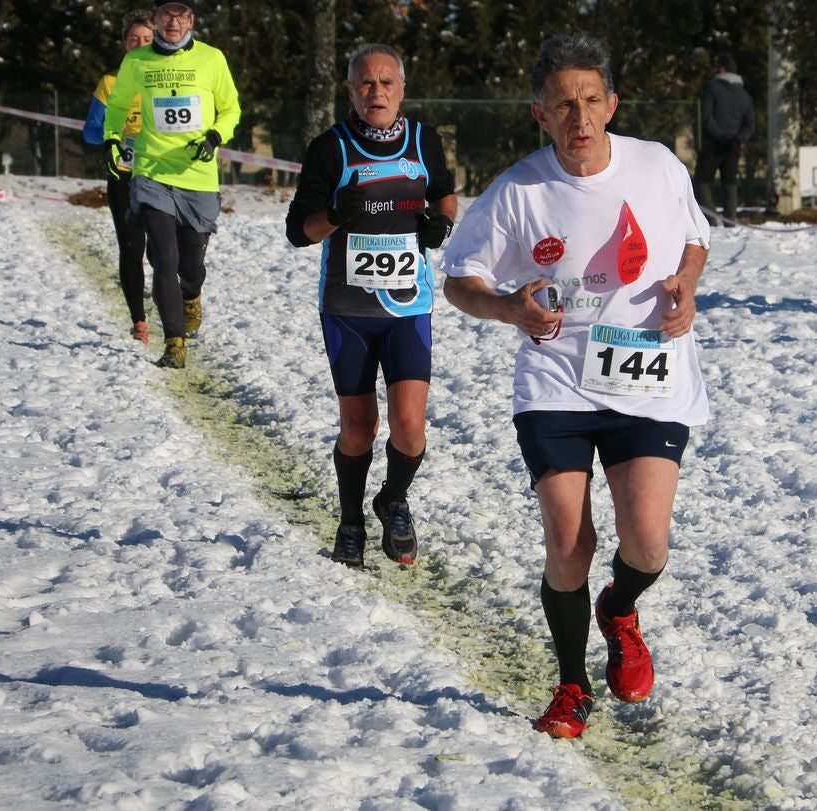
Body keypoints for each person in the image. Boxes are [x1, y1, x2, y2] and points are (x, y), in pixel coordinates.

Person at [442, 34, 711, 739]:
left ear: (612, 103)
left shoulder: (656, 166)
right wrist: (509, 307)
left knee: (647, 542)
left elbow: (694, 237)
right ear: (540, 113)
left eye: (592, 100)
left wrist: (685, 284)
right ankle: (570, 683)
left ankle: (619, 608)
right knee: (569, 543)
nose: (580, 116)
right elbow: (459, 277)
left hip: (646, 375)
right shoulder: (517, 191)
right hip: (556, 380)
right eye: (564, 104)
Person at [285, 45, 457, 569]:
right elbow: (298, 231)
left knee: (410, 426)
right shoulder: (329, 148)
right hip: (348, 310)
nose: (376, 92)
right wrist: (335, 214)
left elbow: (445, 196)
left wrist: (440, 225)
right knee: (359, 427)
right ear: (351, 90)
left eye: (386, 83)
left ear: (402, 89)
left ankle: (393, 499)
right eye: (365, 83)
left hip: (408, 307)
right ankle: (351, 521)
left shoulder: (425, 140)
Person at [103, 1, 241, 368]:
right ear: (156, 20)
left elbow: (231, 109)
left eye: (181, 16)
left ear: (191, 21)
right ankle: (175, 342)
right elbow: (116, 107)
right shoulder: (138, 62)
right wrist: (112, 138)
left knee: (190, 266)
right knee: (164, 258)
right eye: (166, 15)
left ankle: (192, 295)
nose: (173, 22)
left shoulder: (211, 59)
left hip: (197, 176)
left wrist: (213, 137)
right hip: (152, 171)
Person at [82, 10, 153, 343]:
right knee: (131, 247)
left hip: (162, 176)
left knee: (169, 250)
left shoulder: (168, 80)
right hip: (123, 176)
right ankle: (139, 320)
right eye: (134, 39)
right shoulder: (110, 83)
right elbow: (91, 131)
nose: (140, 44)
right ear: (124, 43)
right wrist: (115, 138)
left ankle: (175, 300)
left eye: (147, 39)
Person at [692, 53, 754, 226]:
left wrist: (719, 135)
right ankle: (730, 220)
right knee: (730, 182)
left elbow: (707, 117)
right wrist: (738, 138)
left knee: (702, 182)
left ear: (721, 69)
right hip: (734, 145)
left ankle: (712, 219)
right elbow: (750, 125)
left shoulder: (712, 87)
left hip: (714, 143)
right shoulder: (745, 95)